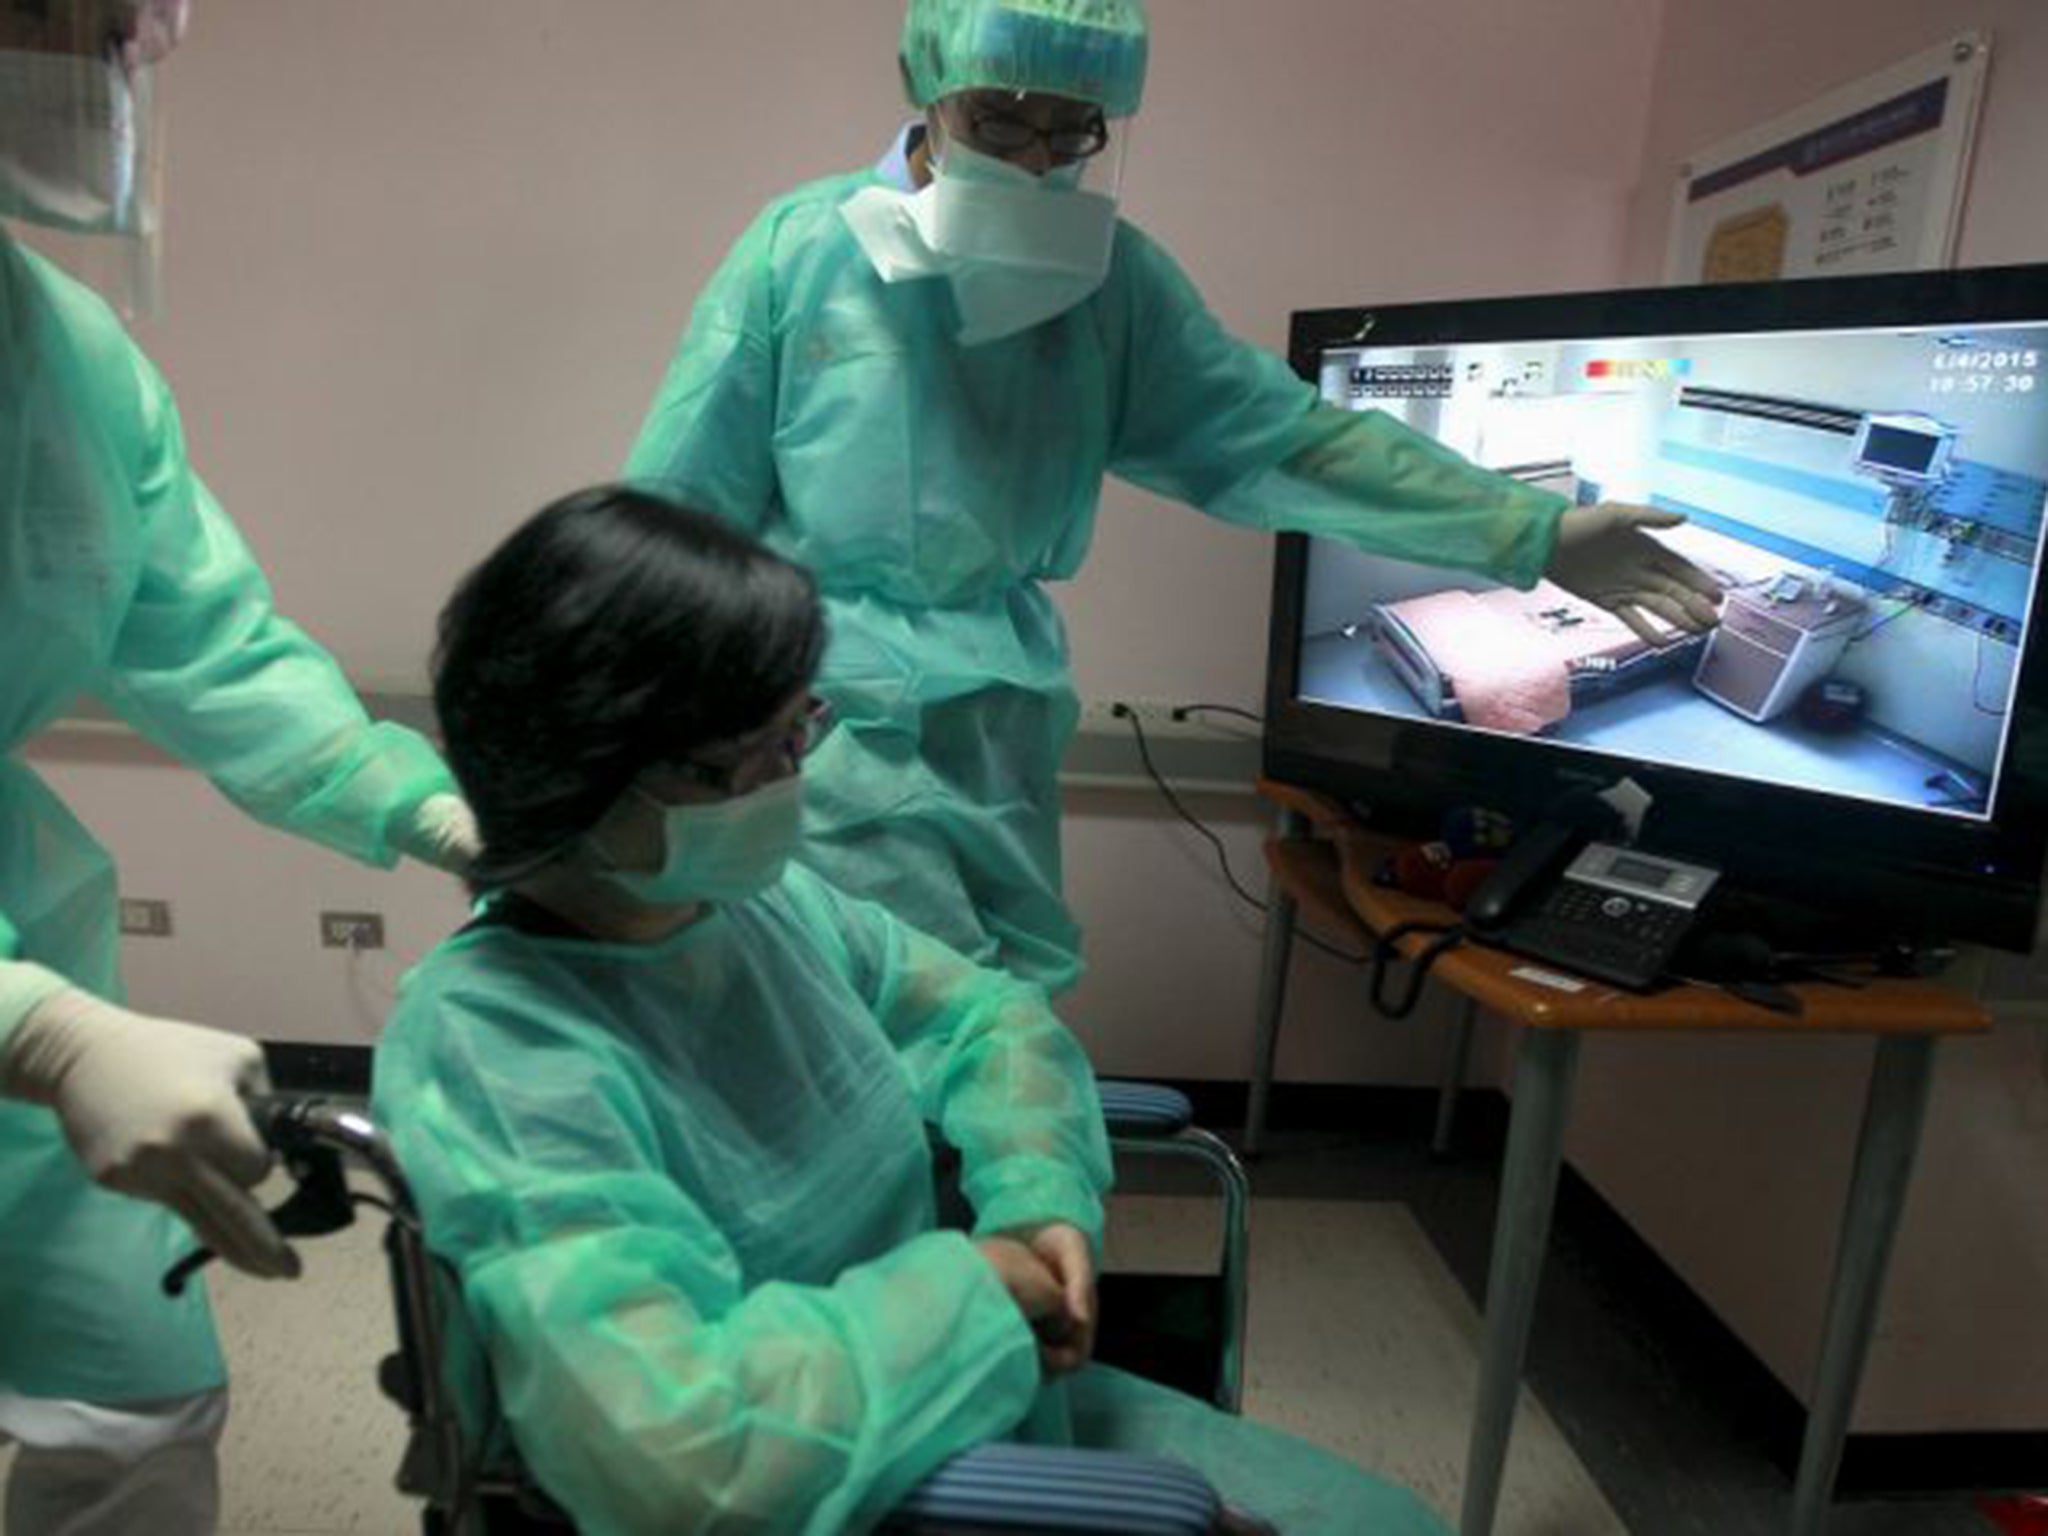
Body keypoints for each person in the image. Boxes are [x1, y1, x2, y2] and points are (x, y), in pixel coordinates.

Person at [373, 483, 1453, 1535]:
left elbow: (984, 1021)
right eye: (744, 759)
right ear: (577, 774)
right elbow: (678, 1459)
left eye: (800, 732)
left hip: (964, 1389)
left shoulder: (750, 904)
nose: (788, 784)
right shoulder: (497, 1049)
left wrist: (1034, 1194)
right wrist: (979, 1290)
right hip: (838, 1479)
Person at [623, 0, 1725, 995]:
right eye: (1003, 122)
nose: (1039, 158)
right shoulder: (800, 252)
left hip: (997, 708)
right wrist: (618, 747)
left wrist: (1527, 528)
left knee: (1009, 992)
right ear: (928, 84)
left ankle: (1000, 1212)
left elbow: (1279, 440)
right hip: (809, 709)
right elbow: (676, 507)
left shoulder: (1109, 284)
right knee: (881, 1013)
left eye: (1073, 130)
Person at [0, 3, 479, 1529]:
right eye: (51, 15)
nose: (96, 61)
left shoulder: (61, 355)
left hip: (27, 943)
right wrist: (40, 1036)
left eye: (113, 25)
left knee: (130, 1398)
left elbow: (208, 636)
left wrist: (418, 802)